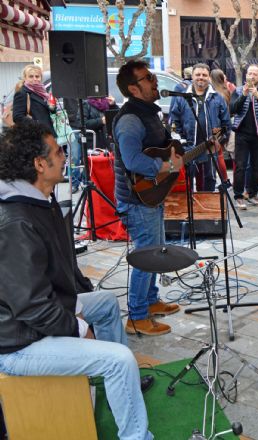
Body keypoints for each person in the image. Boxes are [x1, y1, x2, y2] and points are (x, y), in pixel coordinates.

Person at [0, 121, 154, 440]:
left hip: (36, 319)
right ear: (40, 165)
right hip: (17, 344)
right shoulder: (15, 222)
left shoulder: (39, 199)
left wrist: (80, 304)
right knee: (119, 359)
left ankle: (123, 389)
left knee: (107, 303)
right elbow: (31, 307)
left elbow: (61, 268)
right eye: (58, 151)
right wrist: (78, 327)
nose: (65, 155)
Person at [113, 60, 184, 336]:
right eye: (148, 78)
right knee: (146, 255)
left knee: (155, 250)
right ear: (133, 88)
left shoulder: (148, 113)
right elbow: (131, 160)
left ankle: (151, 301)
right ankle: (136, 317)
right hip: (136, 200)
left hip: (149, 197)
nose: (155, 81)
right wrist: (163, 168)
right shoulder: (130, 119)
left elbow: (161, 148)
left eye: (153, 76)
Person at [170, 63, 231, 191]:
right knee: (186, 184)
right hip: (188, 148)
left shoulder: (217, 98)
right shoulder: (181, 98)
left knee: (208, 182)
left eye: (204, 75)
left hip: (209, 149)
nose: (201, 77)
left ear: (209, 77)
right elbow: (174, 121)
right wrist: (181, 141)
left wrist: (219, 142)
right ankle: (190, 209)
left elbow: (226, 124)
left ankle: (204, 210)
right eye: (198, 74)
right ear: (192, 76)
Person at [230, 64, 258, 209]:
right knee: (241, 166)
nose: (252, 76)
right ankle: (238, 195)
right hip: (242, 134)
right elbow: (233, 109)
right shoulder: (237, 90)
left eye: (255, 74)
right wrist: (243, 95)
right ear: (246, 75)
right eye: (250, 73)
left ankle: (253, 194)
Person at [12, 64, 55, 134]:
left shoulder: (42, 92)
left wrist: (52, 107)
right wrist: (38, 125)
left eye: (37, 76)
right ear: (25, 78)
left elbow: (45, 112)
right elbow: (17, 117)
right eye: (31, 76)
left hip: (48, 132)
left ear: (41, 78)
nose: (35, 79)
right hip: (36, 135)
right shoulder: (22, 93)